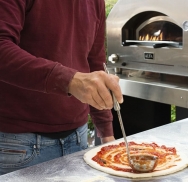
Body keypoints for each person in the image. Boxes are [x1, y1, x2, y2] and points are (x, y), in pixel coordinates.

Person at [0, 0, 123, 175]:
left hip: (79, 138)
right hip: (18, 143)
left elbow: (95, 62)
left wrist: (106, 132)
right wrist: (70, 80)